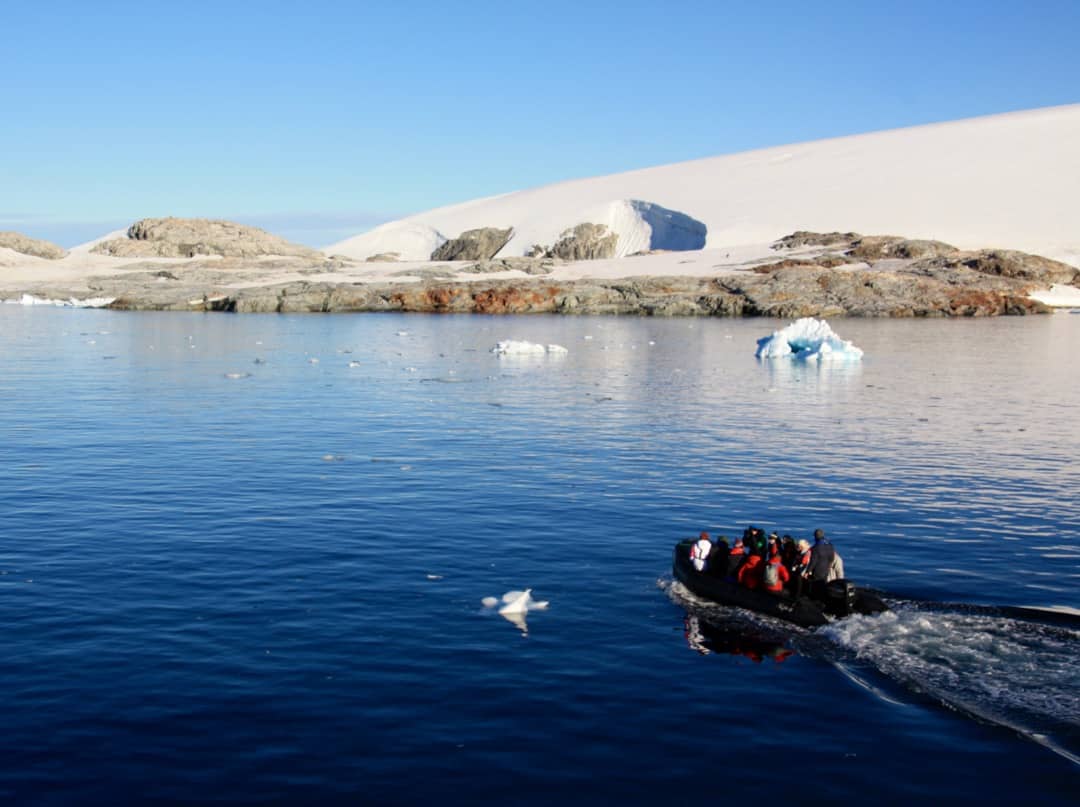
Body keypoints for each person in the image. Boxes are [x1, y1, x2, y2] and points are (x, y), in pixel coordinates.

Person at [807, 529, 837, 596]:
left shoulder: (816, 548)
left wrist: (808, 570)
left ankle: (816, 598)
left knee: (816, 585)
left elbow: (813, 561)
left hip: (817, 570)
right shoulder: (830, 545)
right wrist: (828, 565)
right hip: (826, 568)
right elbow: (832, 558)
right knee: (824, 583)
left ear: (815, 537)